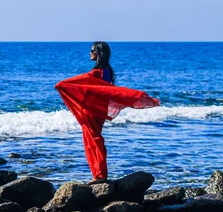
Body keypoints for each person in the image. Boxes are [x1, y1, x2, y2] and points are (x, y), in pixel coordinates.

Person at [55, 42, 160, 184]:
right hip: (100, 110)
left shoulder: (96, 73)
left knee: (92, 141)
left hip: (93, 111)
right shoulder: (108, 71)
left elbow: (84, 85)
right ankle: (99, 173)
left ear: (99, 53)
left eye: (92, 50)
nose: (89, 53)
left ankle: (99, 175)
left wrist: (62, 85)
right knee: (95, 139)